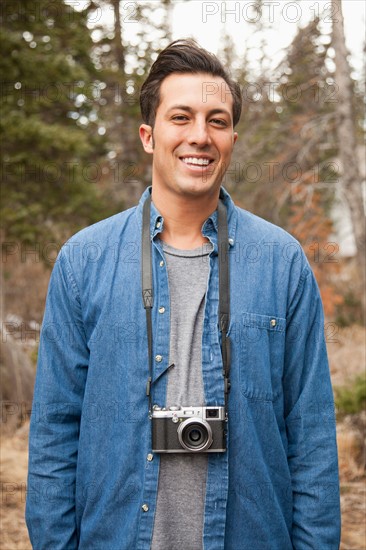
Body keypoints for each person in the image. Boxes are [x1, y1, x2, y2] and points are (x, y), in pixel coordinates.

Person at [26, 39, 341, 549]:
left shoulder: (282, 263)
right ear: (149, 136)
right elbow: (54, 435)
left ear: (233, 138)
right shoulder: (83, 261)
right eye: (182, 117)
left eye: (217, 121)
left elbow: (312, 439)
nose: (200, 136)